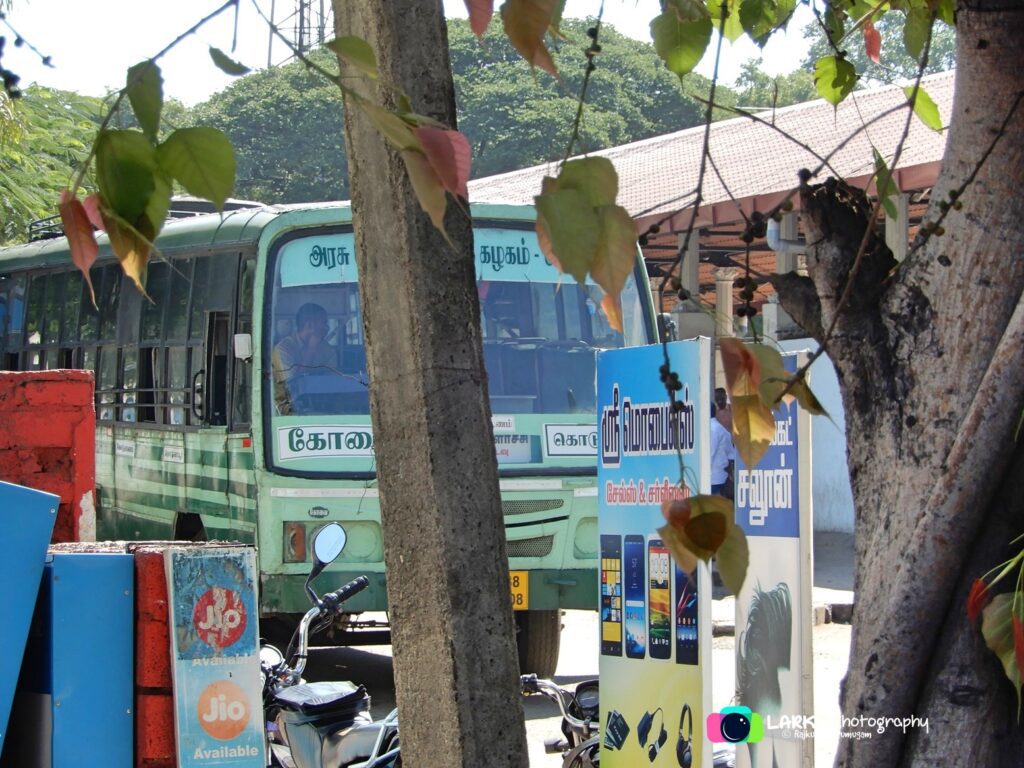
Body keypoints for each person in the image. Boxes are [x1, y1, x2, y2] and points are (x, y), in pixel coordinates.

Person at [273, 303, 335, 414]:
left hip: (323, 407)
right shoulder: (283, 349)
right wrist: (311, 349)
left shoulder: (326, 349)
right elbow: (292, 386)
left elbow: (333, 379)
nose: (327, 328)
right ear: (310, 325)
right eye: (324, 322)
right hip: (289, 411)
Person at [710, 403, 735, 497]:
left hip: (713, 478)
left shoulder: (712, 428)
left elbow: (709, 454)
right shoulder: (720, 428)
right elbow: (731, 454)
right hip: (721, 477)